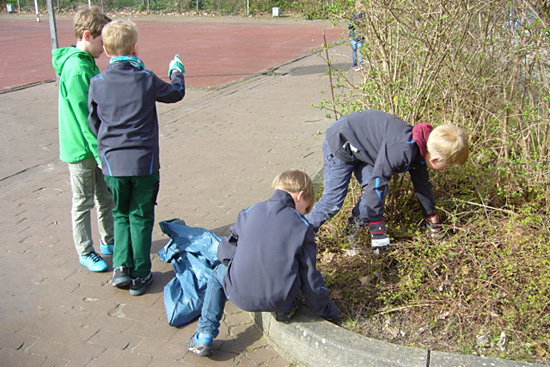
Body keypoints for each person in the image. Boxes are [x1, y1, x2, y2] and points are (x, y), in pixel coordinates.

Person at [187, 170, 340, 357]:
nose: (305, 213)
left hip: (238, 294)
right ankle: (284, 312)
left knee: (217, 273)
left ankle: (204, 334)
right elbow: (310, 277)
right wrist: (326, 311)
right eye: (306, 208)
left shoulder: (249, 212)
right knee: (297, 273)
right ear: (301, 195)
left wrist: (243, 262)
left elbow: (224, 251)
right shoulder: (302, 226)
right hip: (280, 300)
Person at [88, 20, 186, 296]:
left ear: (107, 51)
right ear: (135, 48)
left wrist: (105, 149)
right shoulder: (146, 79)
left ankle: (121, 267)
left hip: (112, 164)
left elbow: (93, 122)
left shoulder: (97, 82)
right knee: (141, 216)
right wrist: (176, 71)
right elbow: (175, 92)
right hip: (144, 162)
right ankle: (141, 274)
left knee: (120, 213)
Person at [305, 110, 469, 254]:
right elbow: (375, 187)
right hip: (342, 141)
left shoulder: (421, 148)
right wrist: (378, 231)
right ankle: (301, 234)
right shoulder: (402, 150)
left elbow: (423, 186)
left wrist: (431, 215)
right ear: (435, 159)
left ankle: (351, 231)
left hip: (364, 149)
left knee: (381, 191)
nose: (444, 169)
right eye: (445, 166)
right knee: (332, 201)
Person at [52, 6, 114, 273]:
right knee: (83, 200)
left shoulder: (87, 62)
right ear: (88, 35)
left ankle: (110, 240)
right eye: (102, 42)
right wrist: (98, 152)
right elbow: (84, 117)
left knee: (105, 196)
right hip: (81, 148)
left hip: (93, 144)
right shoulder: (77, 69)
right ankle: (85, 250)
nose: (105, 48)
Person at [349, 1, 365, 71]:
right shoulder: (364, 16)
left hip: (353, 36)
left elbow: (350, 26)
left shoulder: (353, 15)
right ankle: (361, 64)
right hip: (360, 35)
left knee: (354, 51)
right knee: (360, 50)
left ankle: (355, 64)